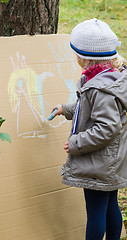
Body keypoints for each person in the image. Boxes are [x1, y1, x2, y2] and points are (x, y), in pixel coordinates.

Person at [52, 18, 127, 240]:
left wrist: (77, 143)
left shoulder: (101, 88)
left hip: (100, 162)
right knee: (110, 204)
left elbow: (107, 127)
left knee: (95, 212)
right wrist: (65, 109)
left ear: (84, 57)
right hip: (110, 159)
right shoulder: (110, 77)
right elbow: (90, 109)